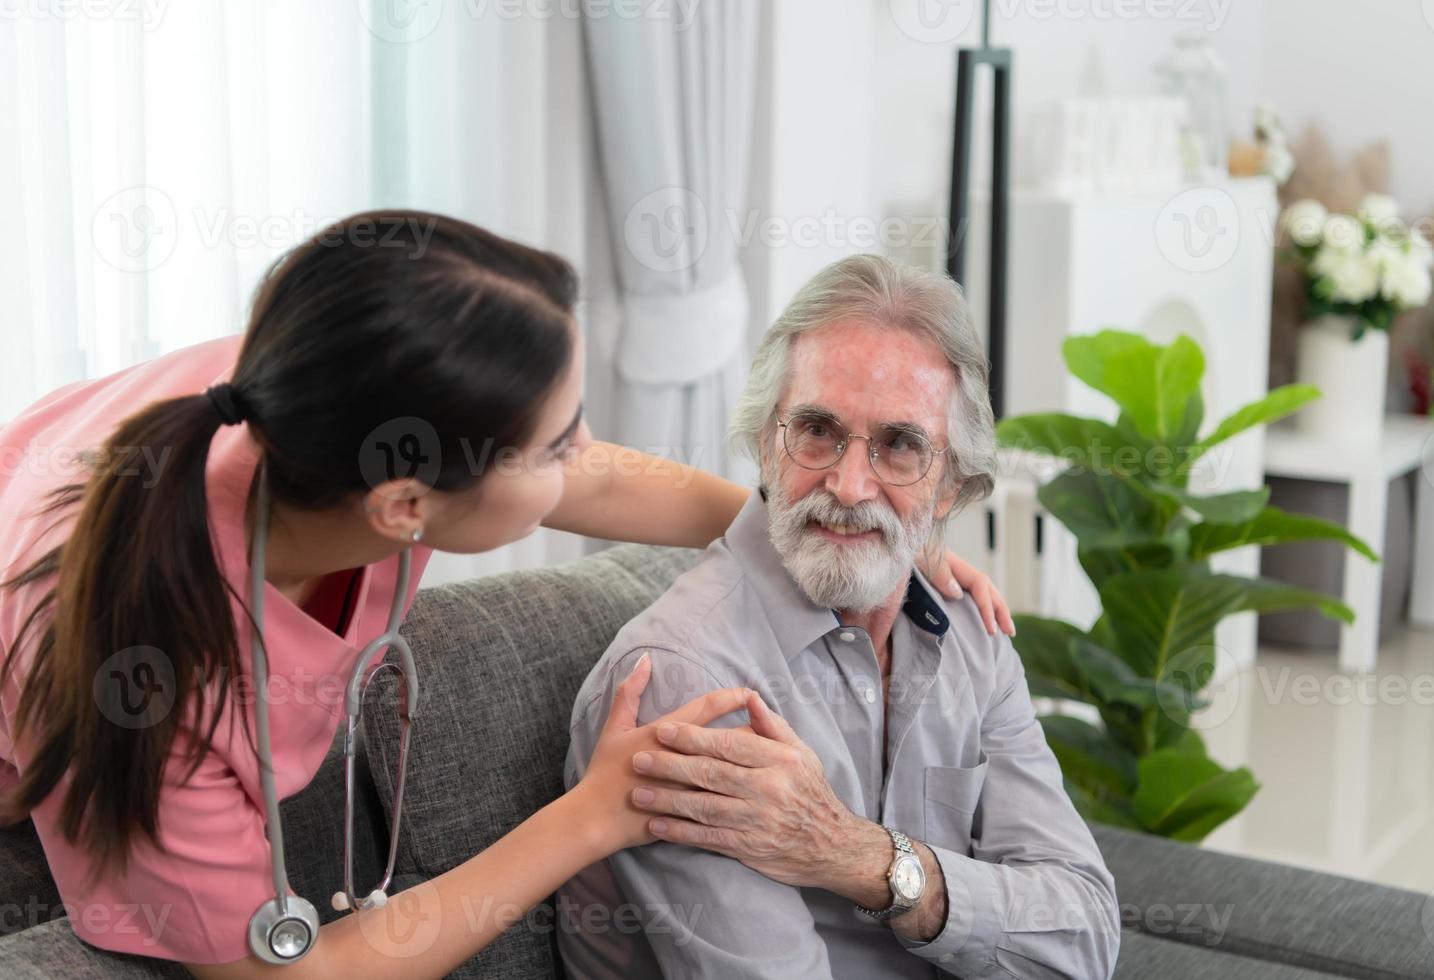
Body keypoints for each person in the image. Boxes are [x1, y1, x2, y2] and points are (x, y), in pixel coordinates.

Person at [0, 212, 1010, 978]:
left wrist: (849, 538)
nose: (580, 454)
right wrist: (595, 810)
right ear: (405, 503)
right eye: (554, 441)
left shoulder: (324, 392)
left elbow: (598, 478)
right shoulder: (140, 667)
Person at [559, 254, 1119, 979]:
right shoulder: (690, 684)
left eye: (899, 446)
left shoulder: (969, 632)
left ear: (951, 486)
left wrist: (867, 859)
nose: (851, 486)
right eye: (817, 431)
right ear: (766, 442)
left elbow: (1084, 940)